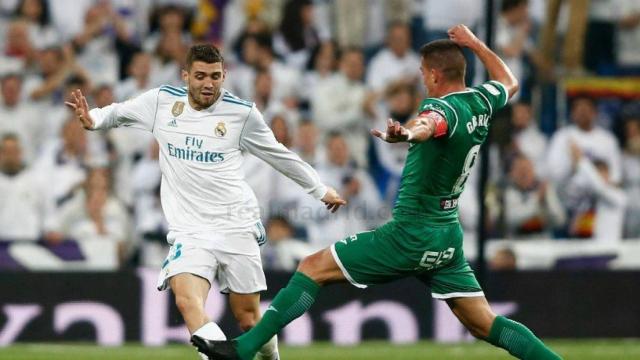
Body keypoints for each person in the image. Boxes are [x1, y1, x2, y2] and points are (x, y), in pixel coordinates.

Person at [196, 25, 562, 360]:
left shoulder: (441, 107)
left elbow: (430, 124)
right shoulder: (482, 101)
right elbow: (509, 81)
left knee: (312, 268)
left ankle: (243, 350)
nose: (422, 79)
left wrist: (407, 133)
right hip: (446, 237)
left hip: (410, 234)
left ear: (434, 74)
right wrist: (475, 44)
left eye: (422, 73)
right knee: (484, 323)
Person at [64, 44, 346, 360]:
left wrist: (320, 189)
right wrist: (93, 118)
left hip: (236, 223)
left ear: (224, 75)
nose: (208, 83)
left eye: (215, 76)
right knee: (187, 301)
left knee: (248, 319)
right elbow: (117, 112)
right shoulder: (161, 101)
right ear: (186, 76)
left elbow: (278, 154)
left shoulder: (242, 114)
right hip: (190, 229)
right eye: (200, 76)